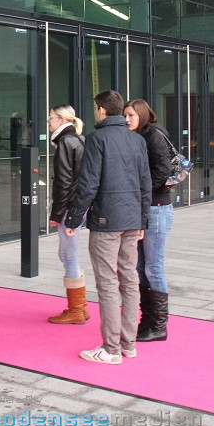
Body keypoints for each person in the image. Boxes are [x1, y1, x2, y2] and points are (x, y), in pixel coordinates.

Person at [64, 90, 151, 365]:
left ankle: (111, 349)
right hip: (131, 218)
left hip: (106, 220)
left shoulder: (97, 138)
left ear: (102, 111)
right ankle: (128, 343)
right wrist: (142, 220)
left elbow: (88, 183)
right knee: (129, 279)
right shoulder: (137, 139)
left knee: (109, 284)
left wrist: (74, 218)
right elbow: (145, 183)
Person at [124, 99, 174, 341]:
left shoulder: (153, 135)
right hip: (145, 207)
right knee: (140, 267)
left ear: (142, 115)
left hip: (157, 207)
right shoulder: (138, 136)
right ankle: (149, 321)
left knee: (154, 267)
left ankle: (159, 325)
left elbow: (162, 169)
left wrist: (142, 191)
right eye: (125, 115)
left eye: (131, 115)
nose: (127, 119)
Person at [46, 105, 87, 325]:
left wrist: (56, 213)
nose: (48, 122)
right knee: (68, 254)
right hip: (77, 204)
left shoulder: (65, 142)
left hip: (70, 206)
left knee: (68, 255)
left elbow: (63, 182)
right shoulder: (78, 139)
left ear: (62, 119)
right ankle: (81, 306)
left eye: (51, 118)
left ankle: (77, 309)